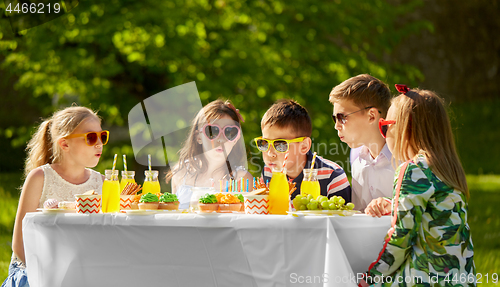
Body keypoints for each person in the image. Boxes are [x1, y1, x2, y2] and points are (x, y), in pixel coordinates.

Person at [361, 85, 475, 286]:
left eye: (385, 126)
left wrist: (370, 278)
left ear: (406, 128)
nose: (384, 135)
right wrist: (394, 203)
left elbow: (401, 239)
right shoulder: (448, 169)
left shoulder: (413, 169)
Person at [2, 106, 106, 287]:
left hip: (85, 273)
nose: (99, 143)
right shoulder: (40, 178)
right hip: (35, 272)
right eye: (90, 137)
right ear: (64, 144)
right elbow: (19, 245)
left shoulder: (103, 183)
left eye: (102, 136)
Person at [256, 99, 351, 201]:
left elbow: (343, 215)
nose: (270, 153)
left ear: (304, 146)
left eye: (280, 145)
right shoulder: (268, 172)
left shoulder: (333, 176)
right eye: (264, 143)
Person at [166, 99, 252, 209]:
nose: (221, 140)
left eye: (230, 132)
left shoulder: (243, 180)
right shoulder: (180, 173)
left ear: (236, 139)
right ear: (198, 137)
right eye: (213, 131)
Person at [329, 74, 394, 211]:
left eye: (342, 118)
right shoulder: (356, 156)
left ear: (371, 116)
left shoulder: (405, 157)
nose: (336, 126)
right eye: (335, 118)